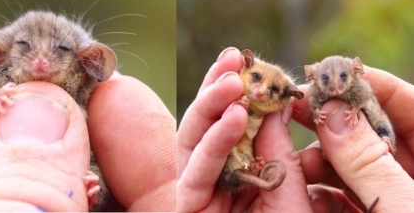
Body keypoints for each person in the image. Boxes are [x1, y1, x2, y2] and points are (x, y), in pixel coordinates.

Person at [177, 47, 414, 212]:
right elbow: (313, 105)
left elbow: (366, 99)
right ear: (314, 77)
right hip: (236, 168)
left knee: (381, 125)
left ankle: (386, 141)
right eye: (325, 80)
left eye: (342, 77)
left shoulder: (359, 89)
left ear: (355, 72)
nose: (334, 87)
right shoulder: (250, 95)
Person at [0, 72, 176, 211]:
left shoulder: (86, 99)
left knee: (93, 179)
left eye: (60, 49)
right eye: (25, 46)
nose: (41, 62)